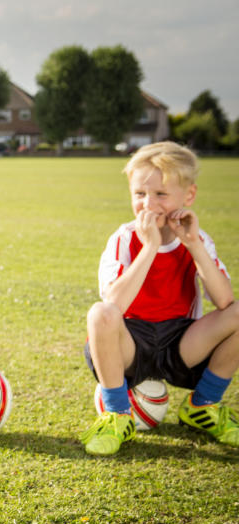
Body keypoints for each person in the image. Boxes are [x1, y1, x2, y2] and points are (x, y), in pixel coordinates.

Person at [81, 141, 239, 455]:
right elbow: (113, 305)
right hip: (131, 345)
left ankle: (202, 405)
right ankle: (116, 414)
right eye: (140, 194)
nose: (149, 204)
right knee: (100, 314)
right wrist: (150, 246)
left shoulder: (198, 239)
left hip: (181, 343)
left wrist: (193, 246)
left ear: (188, 195)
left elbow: (225, 302)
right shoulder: (124, 239)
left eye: (161, 195)